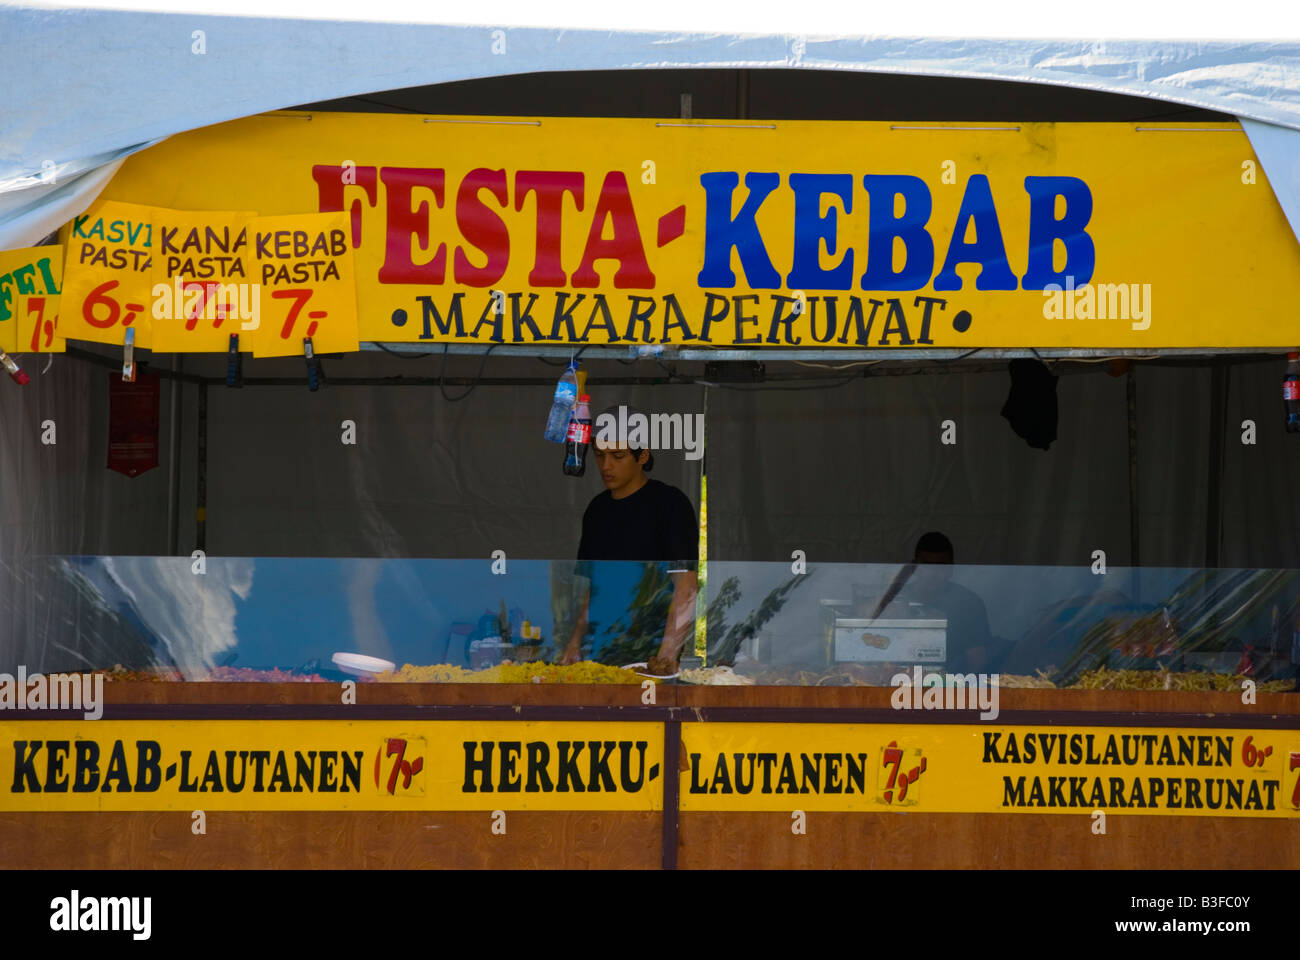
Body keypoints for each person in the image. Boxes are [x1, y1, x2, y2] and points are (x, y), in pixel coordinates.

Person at [559, 414, 698, 671]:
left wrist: (666, 655)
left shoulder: (670, 504)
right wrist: (575, 642)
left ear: (642, 455)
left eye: (618, 455)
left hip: (650, 651)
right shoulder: (596, 510)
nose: (606, 465)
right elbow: (593, 588)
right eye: (600, 455)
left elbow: (686, 585)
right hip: (599, 651)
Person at [873, 532, 996, 674]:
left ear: (951, 568)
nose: (934, 573)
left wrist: (967, 692)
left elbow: (977, 658)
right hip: (895, 685)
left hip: (949, 687)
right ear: (914, 568)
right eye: (927, 566)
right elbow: (874, 648)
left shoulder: (968, 604)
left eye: (941, 566)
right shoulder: (897, 598)